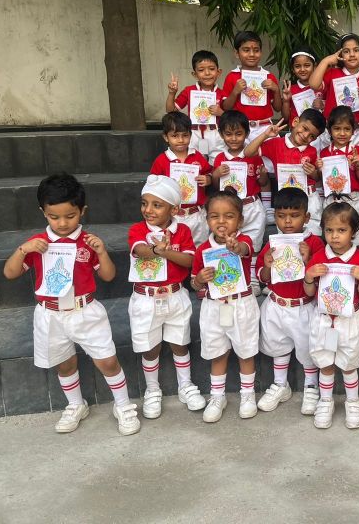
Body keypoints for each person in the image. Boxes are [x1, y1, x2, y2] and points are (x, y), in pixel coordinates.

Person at [2, 174, 140, 435]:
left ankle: (123, 405)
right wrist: (23, 250)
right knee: (64, 363)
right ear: (43, 212)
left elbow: (108, 276)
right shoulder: (37, 244)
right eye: (54, 217)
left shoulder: (87, 242)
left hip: (85, 311)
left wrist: (101, 252)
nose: (63, 223)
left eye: (70, 216)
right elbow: (10, 273)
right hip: (50, 314)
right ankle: (76, 404)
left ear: (82, 211)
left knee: (107, 361)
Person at [128, 175, 206, 419]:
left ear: (174, 209)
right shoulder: (138, 229)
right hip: (146, 298)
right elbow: (139, 250)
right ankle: (152, 389)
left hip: (175, 295)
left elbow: (190, 260)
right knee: (149, 347)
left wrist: (166, 252)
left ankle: (185, 385)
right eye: (144, 203)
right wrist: (154, 249)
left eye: (157, 205)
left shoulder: (182, 231)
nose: (148, 210)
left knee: (179, 342)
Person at [191, 189, 260, 423]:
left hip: (241, 304)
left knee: (245, 351)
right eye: (214, 216)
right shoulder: (202, 249)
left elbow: (245, 250)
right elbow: (194, 282)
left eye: (229, 216)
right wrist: (200, 279)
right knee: (217, 351)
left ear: (240, 221)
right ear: (207, 219)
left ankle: (247, 394)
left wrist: (235, 247)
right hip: (214, 306)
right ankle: (217, 396)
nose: (221, 222)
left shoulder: (244, 240)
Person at [255, 188, 326, 416]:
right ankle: (280, 384)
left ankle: (311, 386)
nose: (287, 221)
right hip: (277, 305)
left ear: (306, 217)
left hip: (303, 306)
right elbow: (262, 277)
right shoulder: (272, 244)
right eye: (281, 215)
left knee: (307, 349)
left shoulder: (314, 243)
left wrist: (308, 259)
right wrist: (267, 265)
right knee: (278, 346)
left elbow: (321, 277)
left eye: (294, 215)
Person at [304, 202, 359, 429]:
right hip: (325, 319)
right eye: (329, 230)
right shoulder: (318, 257)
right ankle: (326, 401)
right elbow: (309, 292)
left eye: (341, 230)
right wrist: (309, 276)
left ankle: (352, 402)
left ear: (354, 232)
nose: (334, 236)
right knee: (325, 362)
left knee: (348, 363)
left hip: (349, 320)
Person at [310, 33, 359, 226]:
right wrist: (326, 61)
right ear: (339, 55)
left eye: (356, 50)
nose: (352, 54)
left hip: (357, 131)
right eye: (346, 51)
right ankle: (327, 205)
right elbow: (313, 83)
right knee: (328, 166)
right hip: (332, 131)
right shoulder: (332, 74)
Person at [221, 30, 282, 223]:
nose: (251, 54)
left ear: (261, 52)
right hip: (242, 130)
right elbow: (226, 107)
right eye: (246, 50)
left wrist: (276, 90)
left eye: (256, 49)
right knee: (247, 166)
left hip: (265, 127)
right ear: (236, 53)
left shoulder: (268, 76)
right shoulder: (232, 77)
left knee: (269, 168)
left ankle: (269, 207)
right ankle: (244, 205)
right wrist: (235, 91)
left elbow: (278, 107)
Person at [244, 108, 326, 235]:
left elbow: (316, 178)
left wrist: (313, 172)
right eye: (305, 128)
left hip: (309, 199)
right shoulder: (276, 144)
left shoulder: (312, 151)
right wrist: (265, 135)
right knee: (286, 240)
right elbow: (248, 152)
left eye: (312, 136)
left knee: (312, 237)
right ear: (295, 122)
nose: (306, 136)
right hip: (285, 200)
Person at [149, 111, 212, 245]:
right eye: (175, 136)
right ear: (166, 137)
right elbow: (153, 187)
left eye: (185, 135)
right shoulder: (161, 160)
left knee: (200, 248)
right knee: (175, 247)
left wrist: (208, 179)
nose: (180, 140)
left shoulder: (197, 156)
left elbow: (209, 173)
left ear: (191, 135)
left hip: (197, 215)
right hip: (173, 216)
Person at [212, 110, 267, 254]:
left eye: (238, 134)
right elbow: (216, 188)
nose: (234, 138)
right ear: (221, 134)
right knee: (228, 247)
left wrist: (263, 175)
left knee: (253, 248)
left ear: (247, 133)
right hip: (228, 208)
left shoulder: (254, 156)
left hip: (251, 207)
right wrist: (216, 175)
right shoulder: (220, 158)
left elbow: (263, 183)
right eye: (228, 134)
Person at [315, 106, 359, 246]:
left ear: (353, 131)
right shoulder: (325, 153)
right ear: (329, 131)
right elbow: (322, 179)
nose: (342, 133)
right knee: (333, 239)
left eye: (347, 129)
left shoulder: (357, 152)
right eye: (337, 129)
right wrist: (319, 169)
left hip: (353, 199)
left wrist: (358, 166)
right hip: (331, 199)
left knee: (357, 241)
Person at [166, 49, 228, 162]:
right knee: (193, 163)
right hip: (193, 134)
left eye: (211, 69)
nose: (207, 73)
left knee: (218, 162)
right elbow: (171, 111)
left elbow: (231, 117)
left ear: (218, 72)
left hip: (215, 134)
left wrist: (221, 113)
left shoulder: (222, 93)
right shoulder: (189, 91)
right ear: (194, 74)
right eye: (201, 70)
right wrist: (171, 93)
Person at [281, 46, 325, 126]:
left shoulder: (322, 85)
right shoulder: (290, 90)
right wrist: (286, 101)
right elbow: (285, 117)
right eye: (297, 66)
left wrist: (323, 105)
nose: (302, 69)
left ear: (315, 66)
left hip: (319, 130)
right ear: (293, 69)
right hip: (298, 131)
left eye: (307, 65)